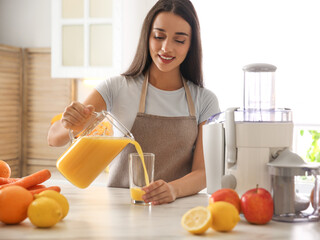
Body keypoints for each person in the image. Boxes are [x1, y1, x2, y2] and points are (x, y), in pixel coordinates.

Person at [48, 0, 220, 205]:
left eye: (179, 40)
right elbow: (53, 138)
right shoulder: (116, 88)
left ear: (191, 44)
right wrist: (70, 124)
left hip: (175, 208)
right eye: (159, 36)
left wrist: (173, 190)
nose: (166, 48)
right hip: (121, 207)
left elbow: (204, 172)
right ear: (147, 36)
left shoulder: (205, 100)